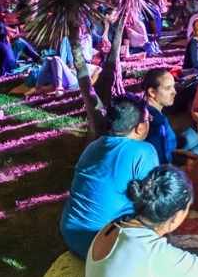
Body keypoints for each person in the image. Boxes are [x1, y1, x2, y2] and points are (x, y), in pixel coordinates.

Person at [59, 96, 159, 259]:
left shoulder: (94, 146)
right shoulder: (143, 151)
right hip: (99, 242)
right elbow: (154, 201)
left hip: (71, 233)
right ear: (140, 128)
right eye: (149, 119)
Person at [142, 68, 177, 164]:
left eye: (173, 86)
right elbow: (161, 160)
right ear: (152, 92)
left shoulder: (140, 109)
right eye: (167, 88)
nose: (174, 92)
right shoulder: (158, 123)